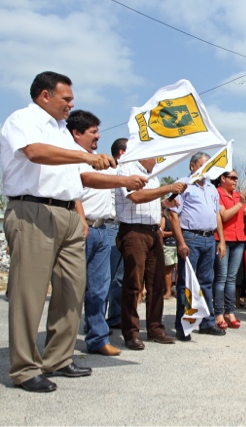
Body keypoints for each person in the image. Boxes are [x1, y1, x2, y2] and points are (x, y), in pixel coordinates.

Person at [1, 71, 114, 392]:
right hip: (33, 210)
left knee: (72, 288)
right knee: (30, 292)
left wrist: (124, 180)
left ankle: (58, 357)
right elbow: (35, 153)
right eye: (66, 98)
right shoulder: (22, 120)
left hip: (66, 213)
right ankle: (24, 368)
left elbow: (83, 176)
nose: (71, 104)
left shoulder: (63, 133)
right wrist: (85, 156)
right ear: (45, 95)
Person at [67, 110, 148, 357]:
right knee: (71, 289)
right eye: (93, 132)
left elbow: (122, 181)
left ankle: (97, 338)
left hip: (103, 230)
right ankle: (62, 343)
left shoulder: (101, 161)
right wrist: (124, 182)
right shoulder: (72, 159)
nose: (98, 136)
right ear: (76, 133)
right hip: (81, 228)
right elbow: (85, 181)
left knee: (100, 288)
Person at [116, 157, 187, 350]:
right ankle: (131, 332)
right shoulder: (127, 168)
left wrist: (164, 204)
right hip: (133, 231)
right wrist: (167, 188)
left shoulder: (153, 175)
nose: (158, 157)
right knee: (133, 284)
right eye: (155, 152)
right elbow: (136, 197)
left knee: (156, 282)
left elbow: (149, 201)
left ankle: (155, 329)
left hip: (154, 231)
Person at [168, 152, 225, 341]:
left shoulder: (211, 188)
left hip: (209, 239)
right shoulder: (183, 185)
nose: (205, 170)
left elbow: (217, 215)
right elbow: (173, 214)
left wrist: (221, 240)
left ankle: (207, 323)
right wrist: (181, 242)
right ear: (192, 166)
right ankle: (184, 325)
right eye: (202, 166)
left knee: (206, 282)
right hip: (191, 238)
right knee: (186, 283)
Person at [212, 170, 246, 330]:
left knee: (232, 279)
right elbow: (224, 216)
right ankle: (218, 313)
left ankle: (230, 312)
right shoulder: (217, 193)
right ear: (223, 178)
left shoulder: (237, 195)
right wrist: (240, 203)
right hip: (223, 240)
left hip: (239, 239)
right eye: (232, 178)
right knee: (221, 278)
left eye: (236, 178)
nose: (235, 180)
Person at [106, 138, 128, 330]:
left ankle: (115, 317)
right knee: (105, 276)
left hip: (125, 228)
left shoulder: (129, 173)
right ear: (122, 152)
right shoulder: (108, 171)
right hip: (109, 227)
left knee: (120, 278)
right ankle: (95, 321)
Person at [160, 208, 177, 300]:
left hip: (177, 245)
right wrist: (174, 232)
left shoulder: (179, 217)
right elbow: (161, 233)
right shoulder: (164, 218)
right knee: (168, 270)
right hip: (168, 246)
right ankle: (168, 291)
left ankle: (177, 291)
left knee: (179, 270)